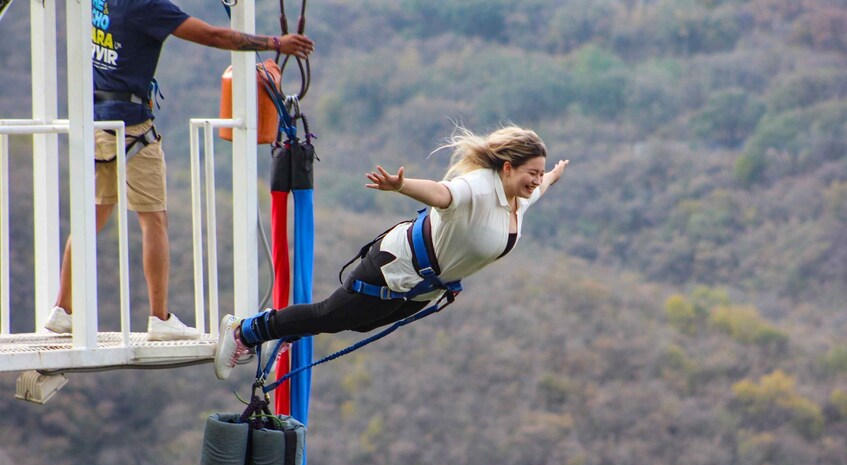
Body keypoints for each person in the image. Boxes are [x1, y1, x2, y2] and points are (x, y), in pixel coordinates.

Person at [43, 0, 315, 340]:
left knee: (90, 219)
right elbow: (215, 36)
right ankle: (160, 317)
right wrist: (276, 43)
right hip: (132, 128)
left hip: (96, 123)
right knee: (153, 218)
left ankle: (62, 308)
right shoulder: (147, 6)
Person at [213, 125, 569, 379]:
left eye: (539, 174)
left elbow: (543, 188)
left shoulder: (518, 198)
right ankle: (246, 331)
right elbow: (442, 194)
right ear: (507, 168)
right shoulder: (477, 187)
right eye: (531, 173)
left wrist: (554, 175)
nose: (536, 181)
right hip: (393, 265)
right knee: (329, 316)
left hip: (424, 287)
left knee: (360, 323)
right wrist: (402, 186)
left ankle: (291, 328)